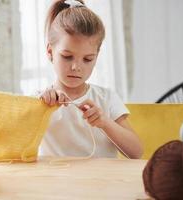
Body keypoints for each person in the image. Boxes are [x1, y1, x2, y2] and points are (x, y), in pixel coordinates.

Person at [39, 0, 143, 159]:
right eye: (67, 57)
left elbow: (137, 152)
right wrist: (37, 110)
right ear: (50, 51)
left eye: (87, 59)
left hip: (102, 183)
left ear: (96, 57)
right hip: (56, 183)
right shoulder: (40, 101)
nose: (76, 67)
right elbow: (16, 149)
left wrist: (105, 122)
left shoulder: (106, 99)